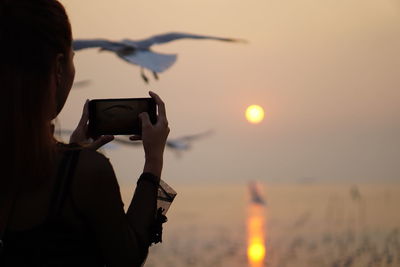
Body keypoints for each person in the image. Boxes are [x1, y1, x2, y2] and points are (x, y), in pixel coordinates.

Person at [0, 0, 170, 266]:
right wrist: (154, 160)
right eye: (72, 58)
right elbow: (127, 256)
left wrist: (70, 153)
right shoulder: (87, 172)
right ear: (58, 68)